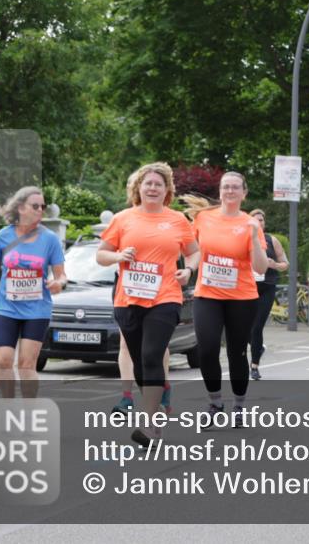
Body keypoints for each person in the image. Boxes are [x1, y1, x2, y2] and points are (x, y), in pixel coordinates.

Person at [97, 162, 199, 447]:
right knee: (142, 362)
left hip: (165, 296)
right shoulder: (122, 219)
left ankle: (148, 425)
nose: (152, 188)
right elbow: (101, 255)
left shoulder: (178, 220)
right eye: (148, 183)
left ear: (166, 190)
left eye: (158, 184)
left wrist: (188, 270)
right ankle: (153, 411)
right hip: (128, 299)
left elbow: (194, 252)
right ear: (138, 188)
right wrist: (118, 257)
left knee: (153, 354)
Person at [182, 172, 268, 426]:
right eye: (226, 187)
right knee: (206, 349)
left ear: (244, 193)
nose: (230, 191)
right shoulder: (203, 218)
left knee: (236, 353)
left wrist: (253, 236)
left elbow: (261, 268)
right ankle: (215, 402)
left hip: (241, 297)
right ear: (220, 193)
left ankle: (239, 405)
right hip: (207, 295)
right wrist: (188, 269)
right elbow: (191, 251)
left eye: (235, 188)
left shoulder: (250, 223)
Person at [0, 187, 67, 398]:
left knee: (26, 365)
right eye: (35, 206)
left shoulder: (49, 239)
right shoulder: (2, 237)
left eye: (42, 206)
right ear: (20, 208)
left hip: (37, 310)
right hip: (6, 308)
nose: (40, 210)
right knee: (2, 360)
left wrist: (58, 283)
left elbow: (61, 275)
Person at [248, 208, 288, 381]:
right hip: (247, 288)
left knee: (257, 327)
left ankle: (254, 365)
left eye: (261, 220)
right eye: (255, 220)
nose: (259, 223)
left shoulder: (272, 241)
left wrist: (274, 265)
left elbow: (285, 264)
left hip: (267, 288)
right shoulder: (244, 240)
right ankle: (258, 348)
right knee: (245, 328)